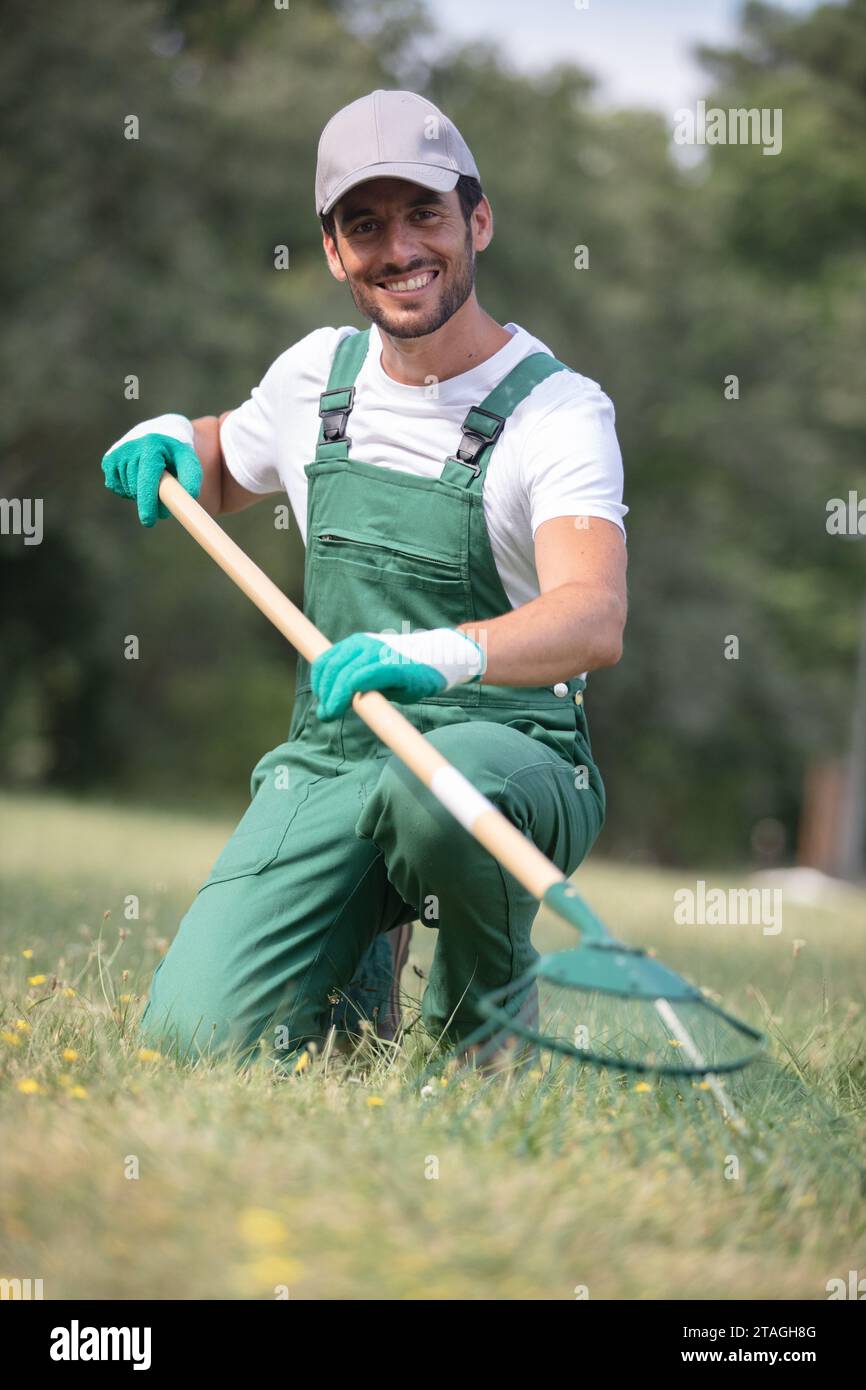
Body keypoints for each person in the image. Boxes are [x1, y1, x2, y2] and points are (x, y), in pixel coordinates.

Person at [101, 89, 628, 1069]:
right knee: (193, 1041)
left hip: (508, 759)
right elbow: (223, 464)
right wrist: (174, 437)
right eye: (364, 225)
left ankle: (481, 1036)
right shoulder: (315, 377)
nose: (397, 249)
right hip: (339, 759)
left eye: (423, 213)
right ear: (335, 250)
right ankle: (353, 999)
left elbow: (591, 618)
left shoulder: (555, 414)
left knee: (435, 798)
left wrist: (431, 655)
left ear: (477, 218)